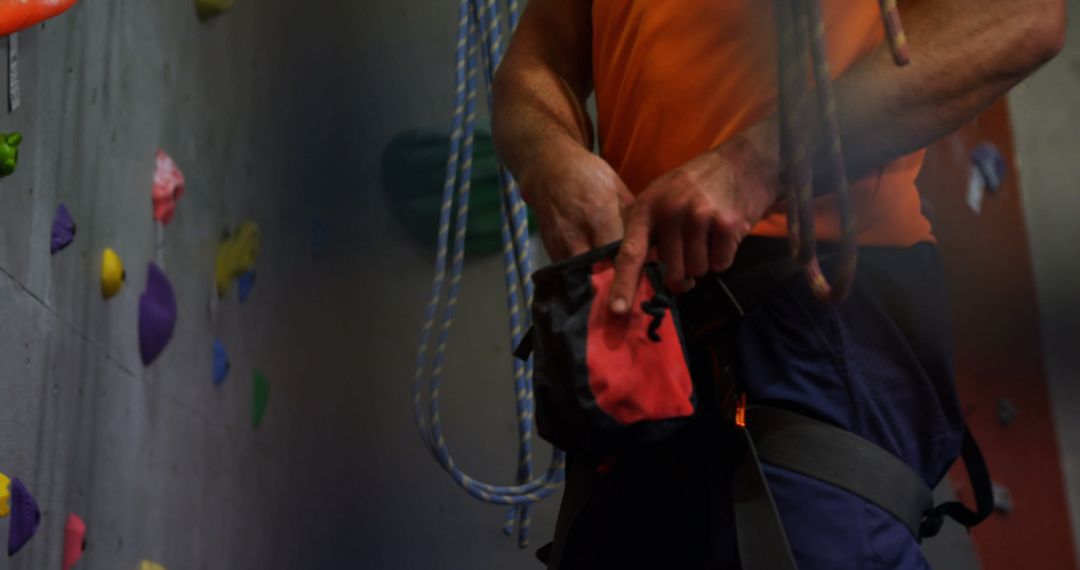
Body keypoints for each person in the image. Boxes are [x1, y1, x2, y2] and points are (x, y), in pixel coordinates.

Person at [491, 1, 1065, 568]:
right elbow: (537, 61)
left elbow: (1021, 15)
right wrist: (549, 159)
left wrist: (756, 164)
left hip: (812, 306)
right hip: (644, 323)